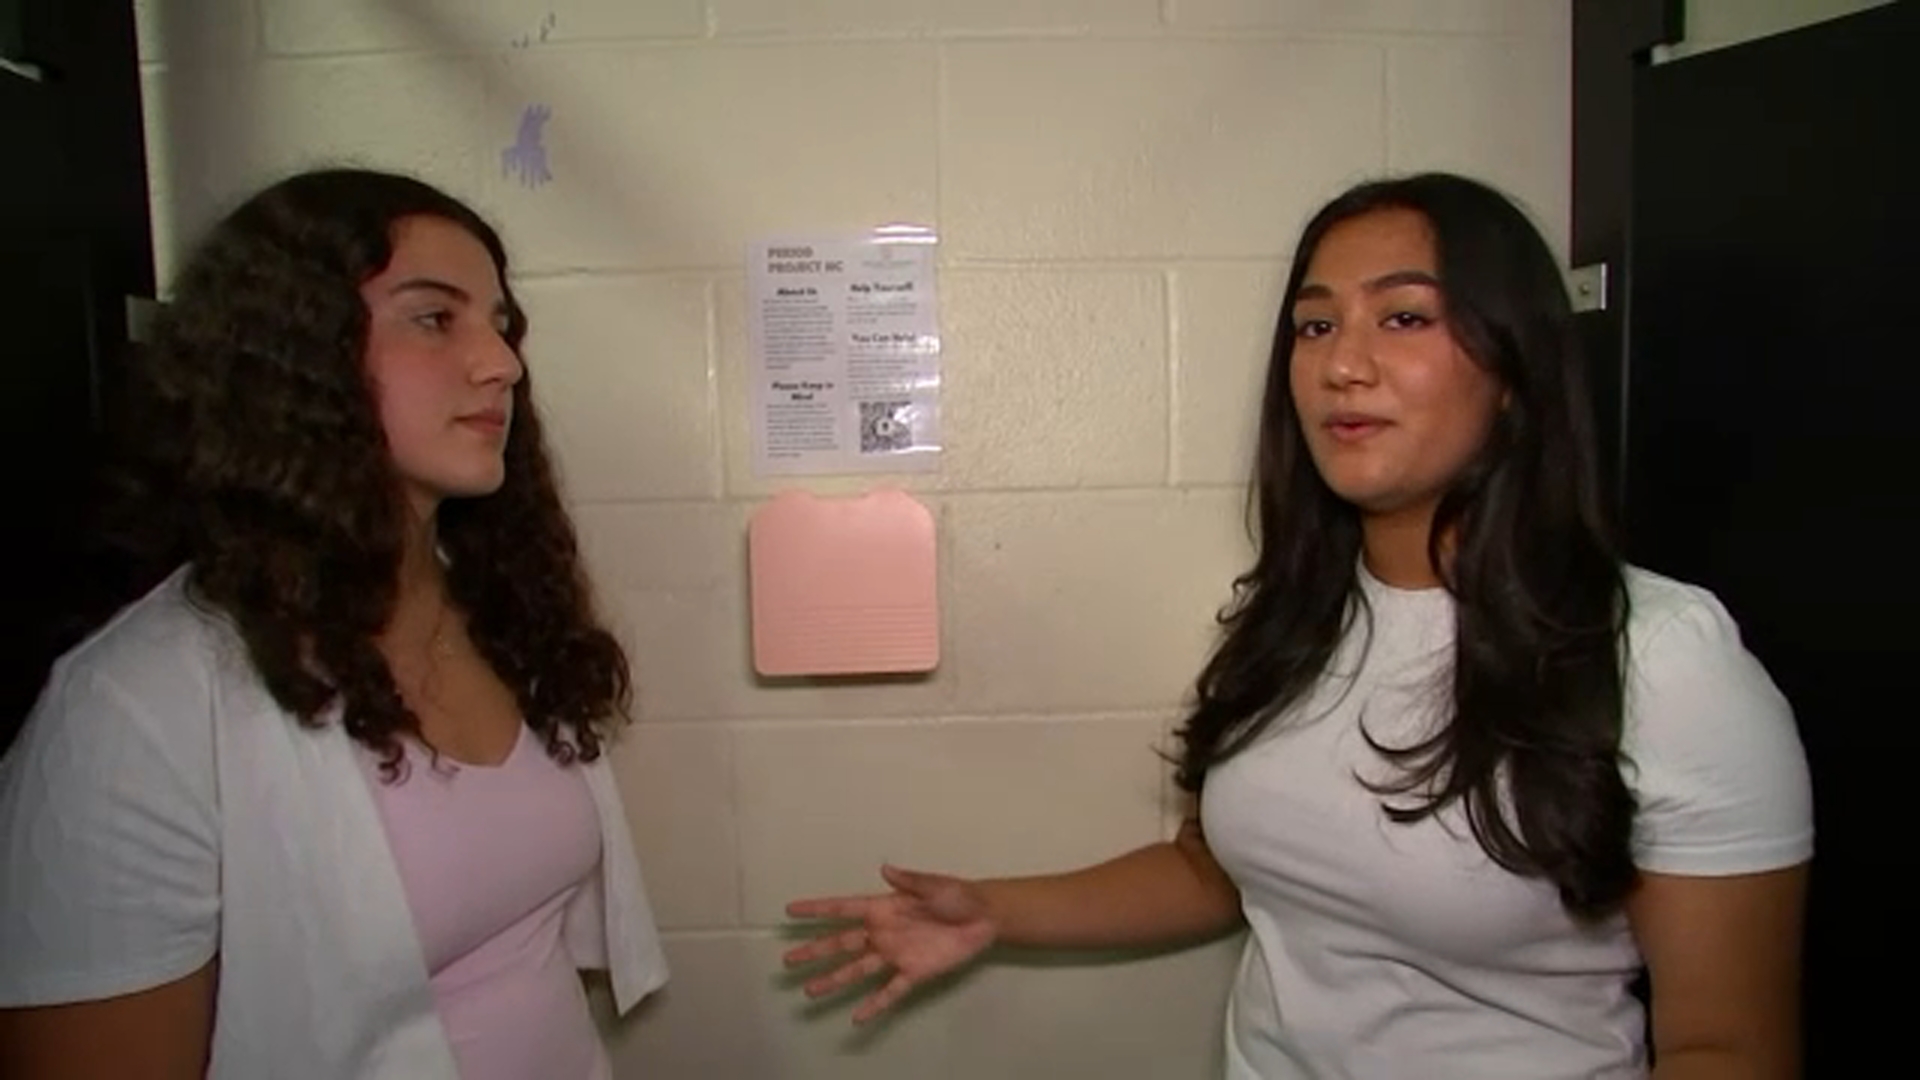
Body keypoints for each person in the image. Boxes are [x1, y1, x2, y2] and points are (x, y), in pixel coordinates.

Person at [782, 173, 1812, 1078]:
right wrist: (998, 910)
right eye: (1316, 325)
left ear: (1514, 372)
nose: (1341, 366)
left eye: (1403, 319)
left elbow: (1730, 1049)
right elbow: (1224, 869)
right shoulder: (1294, 621)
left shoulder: (1665, 664)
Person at [0, 168, 667, 1079]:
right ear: (292, 355)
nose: (502, 362)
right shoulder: (134, 711)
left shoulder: (497, 615)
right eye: (436, 319)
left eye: (501, 324)